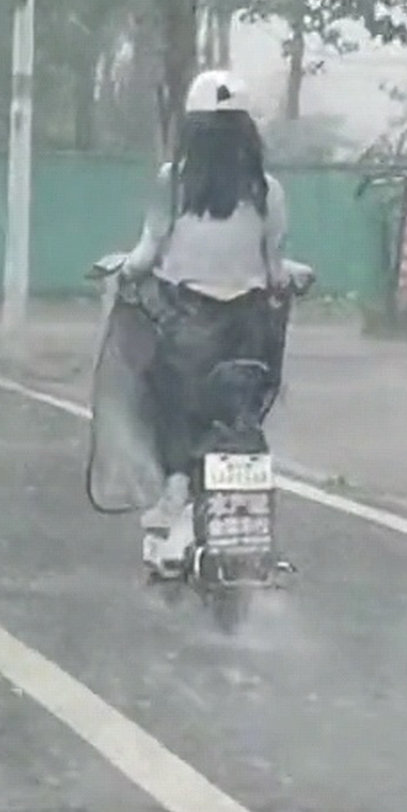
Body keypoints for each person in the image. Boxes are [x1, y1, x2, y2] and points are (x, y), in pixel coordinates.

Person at [116, 69, 290, 538]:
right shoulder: (267, 191)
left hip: (188, 328)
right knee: (242, 403)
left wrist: (124, 271)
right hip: (250, 330)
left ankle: (175, 485)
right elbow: (272, 268)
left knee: (159, 391)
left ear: (192, 130)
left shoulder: (172, 185)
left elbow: (147, 254)